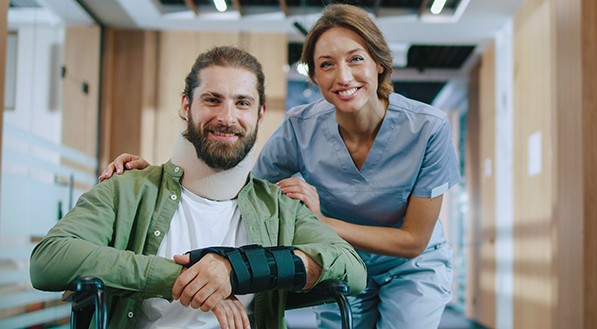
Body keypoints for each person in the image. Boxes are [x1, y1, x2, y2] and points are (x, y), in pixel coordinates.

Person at [100, 4, 461, 329]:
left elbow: (414, 241)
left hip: (411, 267)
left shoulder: (428, 127)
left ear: (378, 63)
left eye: (356, 59)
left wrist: (322, 224)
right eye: (326, 65)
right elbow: (242, 186)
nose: (343, 77)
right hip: (337, 259)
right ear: (315, 77)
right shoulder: (300, 127)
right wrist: (160, 176)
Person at [30, 46, 367, 329]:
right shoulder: (127, 190)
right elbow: (48, 260)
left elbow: (352, 269)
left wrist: (235, 270)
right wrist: (180, 278)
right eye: (212, 99)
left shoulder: (280, 207)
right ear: (186, 105)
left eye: (242, 103)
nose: (227, 116)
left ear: (261, 113)